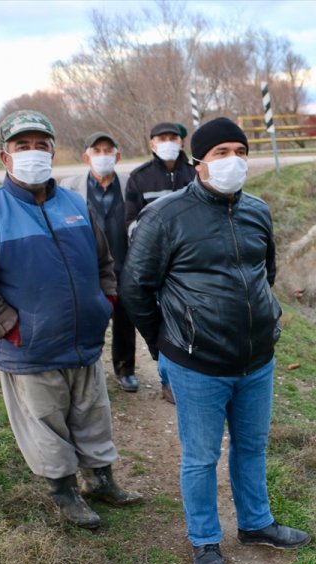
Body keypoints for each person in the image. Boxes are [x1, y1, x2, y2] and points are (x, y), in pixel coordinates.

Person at [120, 117, 310, 564]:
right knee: (201, 457)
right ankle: (204, 539)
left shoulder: (258, 211)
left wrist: (263, 319)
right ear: (198, 161)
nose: (233, 161)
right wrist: (163, 346)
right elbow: (136, 289)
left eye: (240, 152)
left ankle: (255, 523)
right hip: (197, 364)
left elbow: (265, 272)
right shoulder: (165, 216)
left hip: (256, 359)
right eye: (222, 152)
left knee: (252, 446)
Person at [0, 110, 142, 530]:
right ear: (6, 157)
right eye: (23, 146)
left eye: (42, 145)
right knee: (47, 426)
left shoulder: (74, 203)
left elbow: (104, 262)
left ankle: (101, 481)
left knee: (93, 415)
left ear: (54, 152)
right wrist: (15, 329)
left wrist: (104, 303)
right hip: (31, 351)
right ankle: (64, 491)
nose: (34, 153)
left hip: (83, 341)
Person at [124, 121, 196, 404]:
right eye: (162, 138)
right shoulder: (139, 178)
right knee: (162, 322)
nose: (168, 142)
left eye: (173, 137)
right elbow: (129, 220)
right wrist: (150, 246)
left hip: (189, 263)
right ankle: (168, 379)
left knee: (187, 319)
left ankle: (192, 375)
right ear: (152, 143)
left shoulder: (194, 172)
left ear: (181, 142)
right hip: (156, 265)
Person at [60, 132, 138, 393]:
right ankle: (85, 372)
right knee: (87, 319)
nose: (103, 156)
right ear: (86, 157)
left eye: (109, 150)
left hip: (125, 263)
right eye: (97, 151)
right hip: (88, 268)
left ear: (118, 155)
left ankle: (125, 369)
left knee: (125, 320)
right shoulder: (68, 187)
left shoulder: (131, 184)